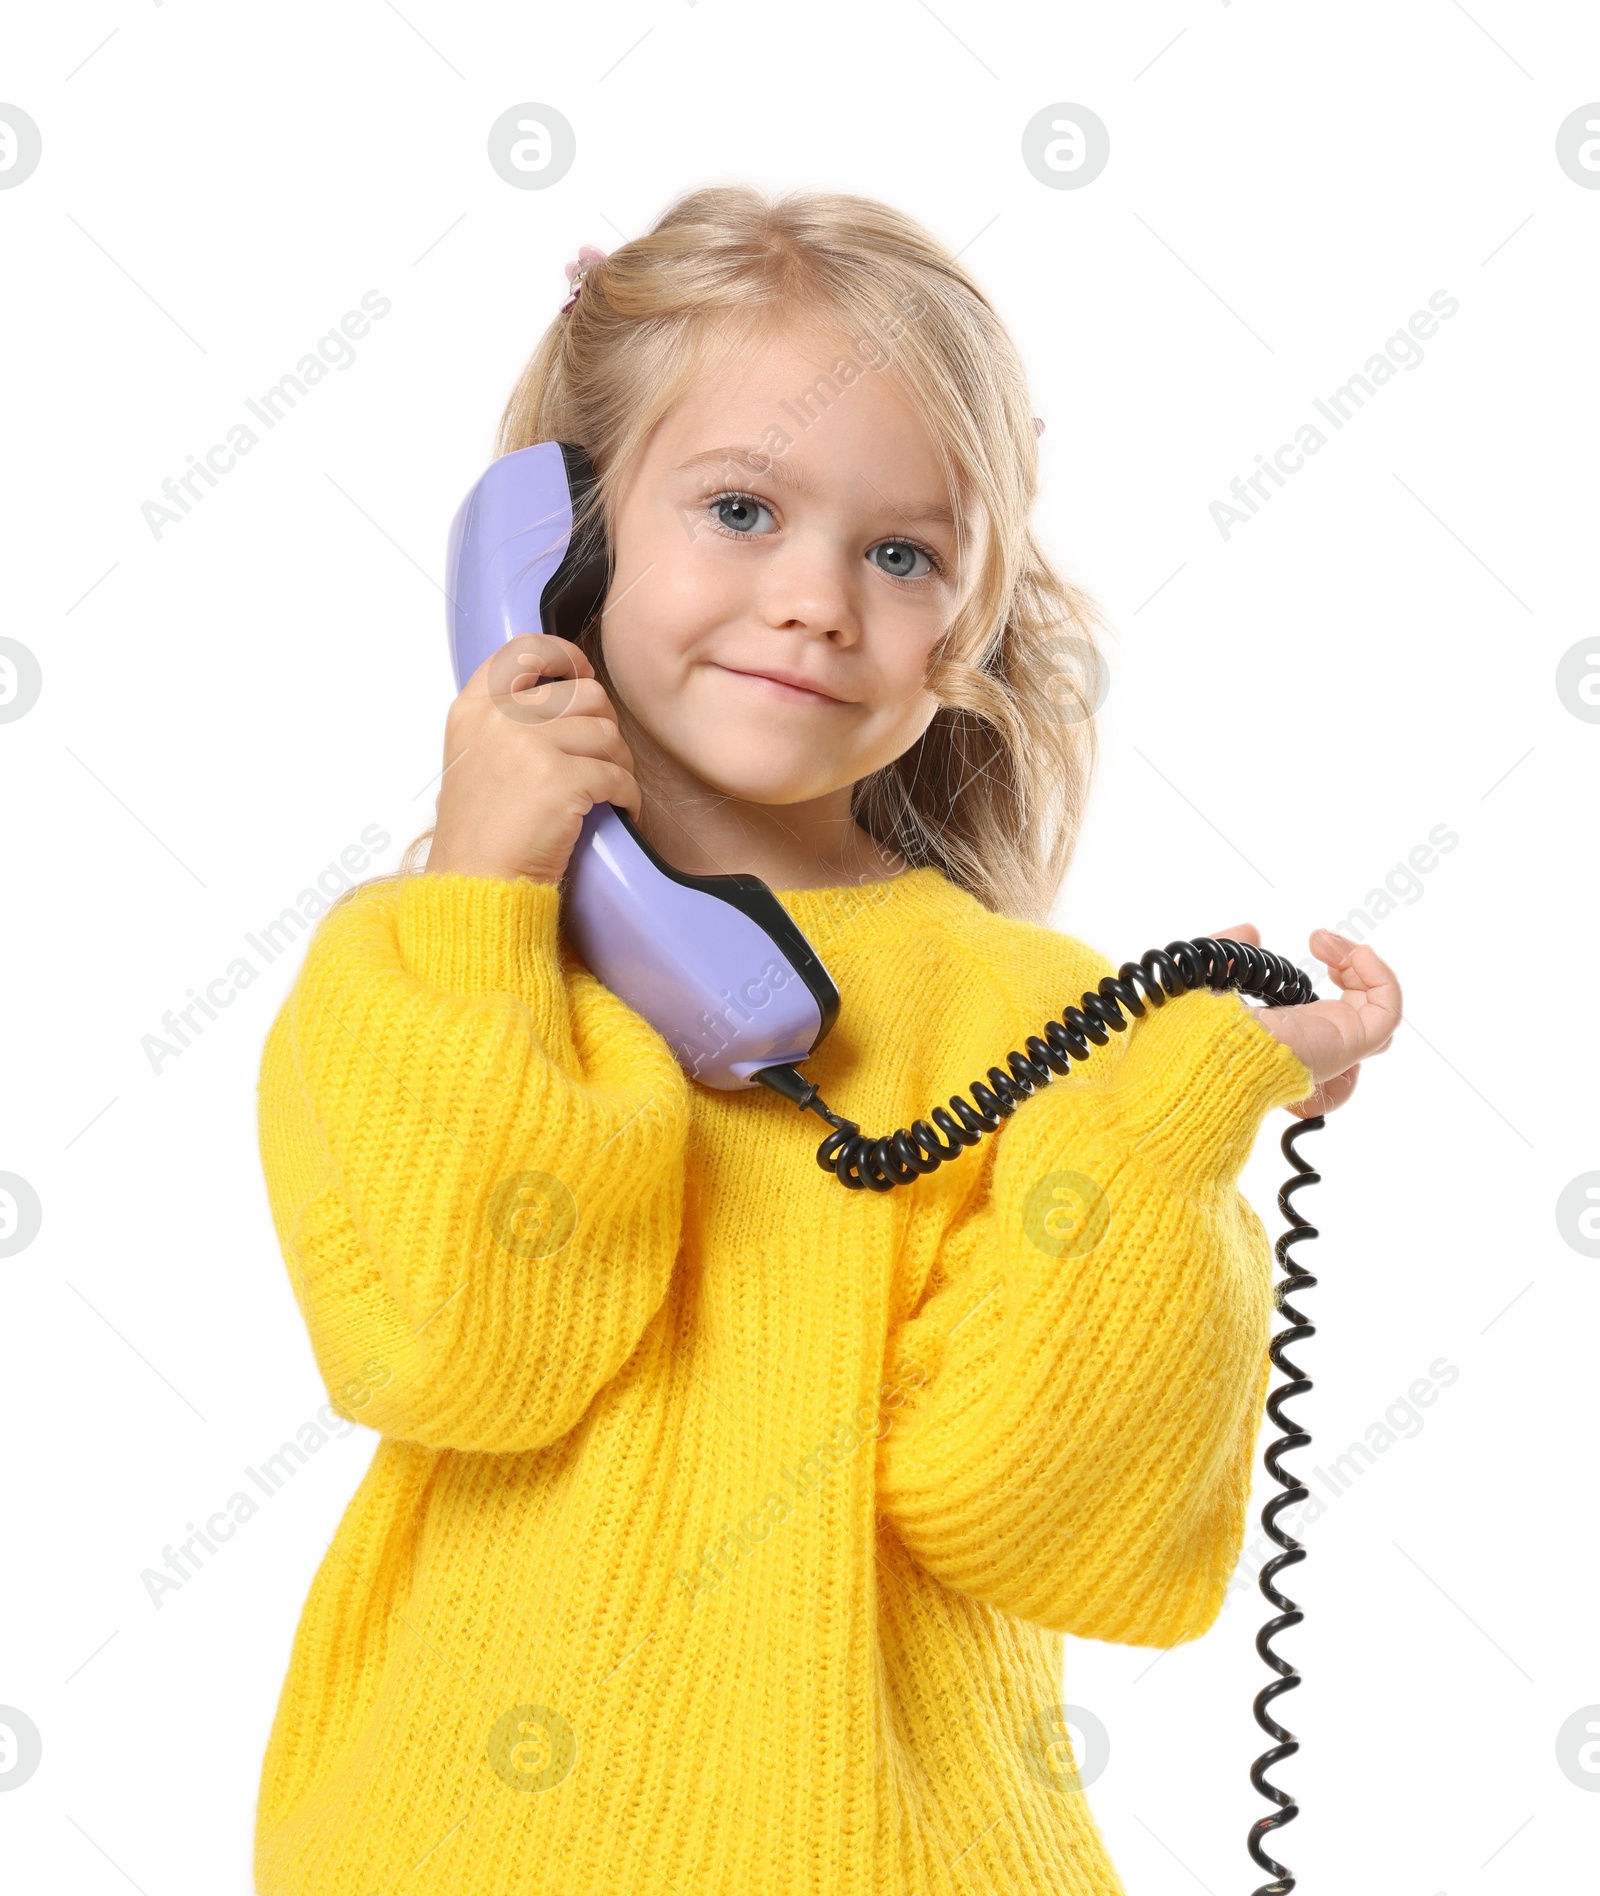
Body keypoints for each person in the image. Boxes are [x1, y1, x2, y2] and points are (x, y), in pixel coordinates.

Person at [252, 185, 1400, 1896]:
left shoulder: (1048, 1027)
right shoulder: (419, 968)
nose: (814, 600)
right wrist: (495, 899)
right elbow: (463, 1355)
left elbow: (1057, 1530)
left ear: (968, 632)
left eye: (902, 552)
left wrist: (1167, 1138)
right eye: (738, 508)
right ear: (563, 549)